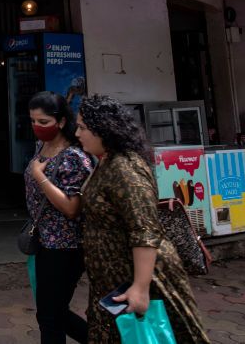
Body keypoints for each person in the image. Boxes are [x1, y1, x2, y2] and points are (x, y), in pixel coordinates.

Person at [75, 94, 209, 343]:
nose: (77, 133)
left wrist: (140, 287)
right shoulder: (106, 162)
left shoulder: (125, 168)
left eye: (83, 127)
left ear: (103, 129)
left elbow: (144, 230)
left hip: (139, 278)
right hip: (113, 280)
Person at [24, 91, 92, 344]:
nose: (37, 127)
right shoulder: (41, 146)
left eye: (43, 122)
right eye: (33, 121)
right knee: (52, 313)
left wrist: (40, 177)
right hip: (44, 242)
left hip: (65, 246)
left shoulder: (74, 157)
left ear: (61, 121)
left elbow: (72, 208)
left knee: (50, 316)